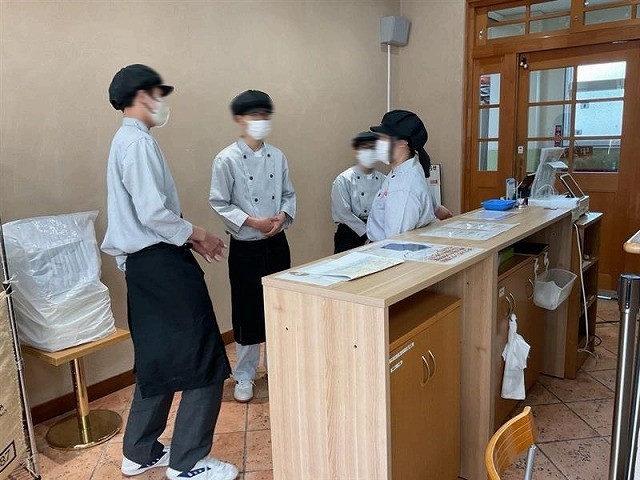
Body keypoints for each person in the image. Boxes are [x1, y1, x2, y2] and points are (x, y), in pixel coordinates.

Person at [102, 64, 238, 480]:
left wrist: (187, 239)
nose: (162, 103)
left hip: (144, 268)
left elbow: (143, 217)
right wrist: (198, 234)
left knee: (157, 360)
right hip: (162, 265)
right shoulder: (137, 144)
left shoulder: (124, 141)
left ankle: (139, 452)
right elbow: (153, 213)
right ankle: (188, 462)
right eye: (158, 94)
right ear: (143, 96)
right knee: (204, 356)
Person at [209, 90, 296, 404]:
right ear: (239, 119)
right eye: (254, 115)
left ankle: (277, 366)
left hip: (277, 242)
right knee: (247, 311)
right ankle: (244, 375)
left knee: (279, 307)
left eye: (264, 115)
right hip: (246, 246)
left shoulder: (278, 156)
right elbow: (219, 202)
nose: (260, 120)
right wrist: (252, 222)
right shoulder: (227, 159)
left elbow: (289, 194)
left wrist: (283, 216)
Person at [367, 109, 445, 241]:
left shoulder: (403, 187)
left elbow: (395, 241)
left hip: (389, 249)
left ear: (403, 142)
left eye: (384, 138)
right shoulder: (408, 169)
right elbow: (438, 209)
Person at [331, 131, 385, 253]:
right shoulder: (344, 179)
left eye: (373, 148)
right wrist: (366, 234)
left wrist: (374, 234)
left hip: (377, 232)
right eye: (365, 148)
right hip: (349, 233)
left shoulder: (384, 180)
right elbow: (343, 213)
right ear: (356, 151)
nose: (369, 152)